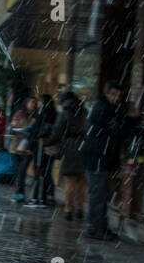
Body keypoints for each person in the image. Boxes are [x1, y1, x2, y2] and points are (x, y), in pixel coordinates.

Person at [81, 80, 128, 240]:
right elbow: (114, 131)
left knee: (99, 195)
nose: (116, 98)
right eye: (113, 95)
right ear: (107, 94)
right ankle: (96, 228)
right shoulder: (103, 109)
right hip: (97, 159)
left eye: (118, 95)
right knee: (98, 195)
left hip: (99, 159)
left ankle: (99, 227)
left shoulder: (106, 109)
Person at [50, 90, 88, 221]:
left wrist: (48, 142)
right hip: (84, 146)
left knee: (70, 180)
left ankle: (68, 209)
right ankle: (80, 209)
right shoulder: (83, 111)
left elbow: (57, 132)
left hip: (70, 146)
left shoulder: (64, 113)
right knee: (81, 180)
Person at [26, 94, 57, 208]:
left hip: (41, 146)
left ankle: (36, 198)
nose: (38, 103)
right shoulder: (52, 114)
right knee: (45, 173)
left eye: (39, 101)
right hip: (48, 148)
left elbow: (37, 130)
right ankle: (43, 198)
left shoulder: (43, 114)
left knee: (39, 172)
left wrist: (32, 143)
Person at [8, 95, 37, 202]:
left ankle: (19, 193)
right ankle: (20, 193)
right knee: (20, 171)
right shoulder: (19, 114)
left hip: (28, 148)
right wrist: (13, 126)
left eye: (34, 103)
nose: (33, 105)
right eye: (31, 102)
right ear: (26, 103)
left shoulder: (36, 117)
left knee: (22, 170)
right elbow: (11, 129)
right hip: (16, 147)